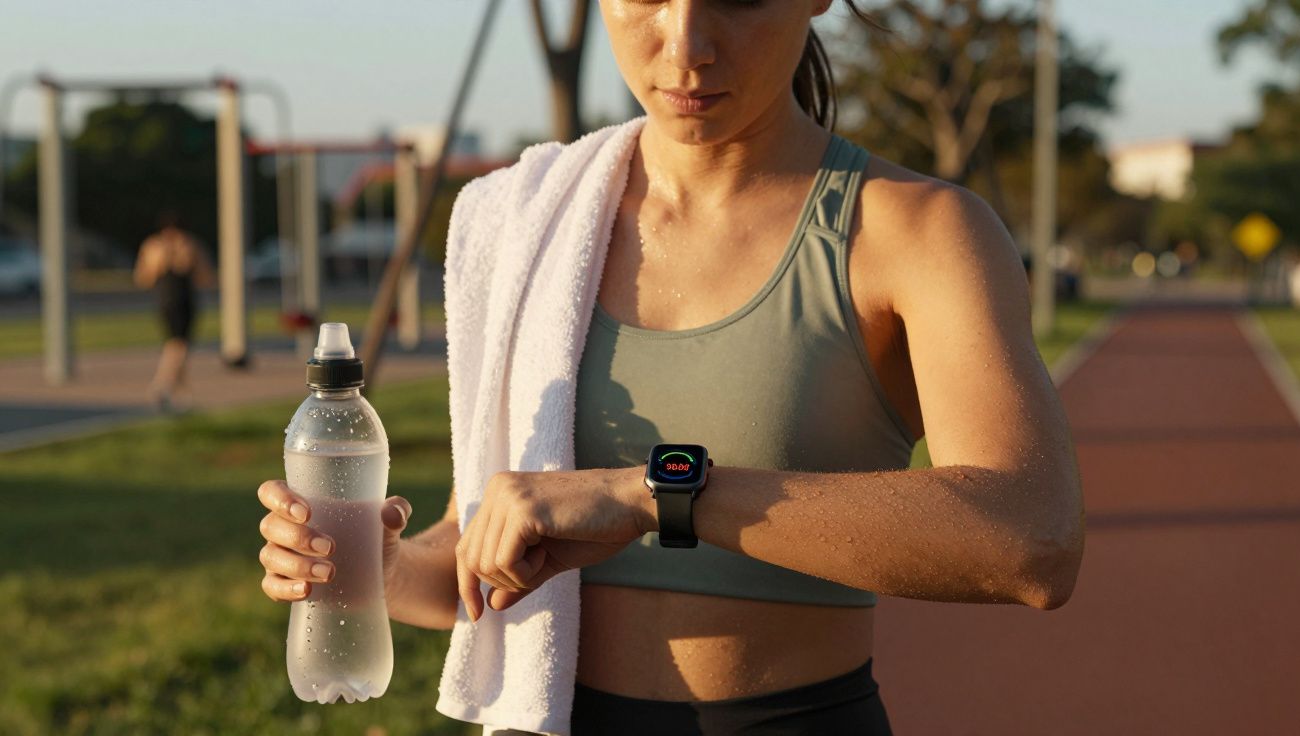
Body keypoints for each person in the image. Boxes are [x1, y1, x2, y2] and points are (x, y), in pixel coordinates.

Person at [256, 1, 1085, 733]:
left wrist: (651, 494)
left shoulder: (916, 231)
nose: (685, 43)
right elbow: (477, 560)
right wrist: (376, 566)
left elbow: (1029, 537)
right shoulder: (529, 222)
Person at [133, 210, 214, 412]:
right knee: (179, 345)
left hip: (165, 300)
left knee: (176, 345)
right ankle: (161, 386)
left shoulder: (153, 246)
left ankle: (183, 395)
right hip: (180, 300)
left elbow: (143, 278)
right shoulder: (189, 245)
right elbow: (205, 277)